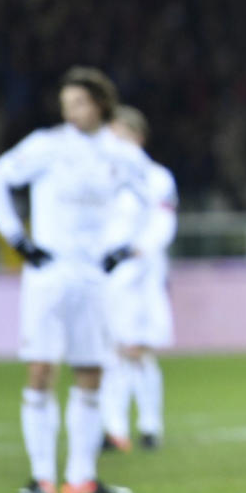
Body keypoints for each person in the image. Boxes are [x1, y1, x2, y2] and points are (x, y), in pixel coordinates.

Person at [0, 66, 147, 493]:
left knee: (91, 372)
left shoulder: (120, 154)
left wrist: (121, 247)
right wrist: (18, 239)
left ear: (100, 106)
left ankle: (82, 478)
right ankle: (41, 479)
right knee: (41, 369)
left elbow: (151, 198)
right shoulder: (47, 146)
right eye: (67, 104)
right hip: (48, 276)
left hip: (92, 279)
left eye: (79, 103)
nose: (71, 111)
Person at [99, 105, 178, 452]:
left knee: (138, 350)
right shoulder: (102, 177)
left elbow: (164, 224)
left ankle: (149, 425)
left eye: (121, 136)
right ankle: (114, 429)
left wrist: (137, 251)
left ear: (138, 137)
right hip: (109, 275)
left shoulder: (157, 178)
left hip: (144, 274)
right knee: (113, 351)